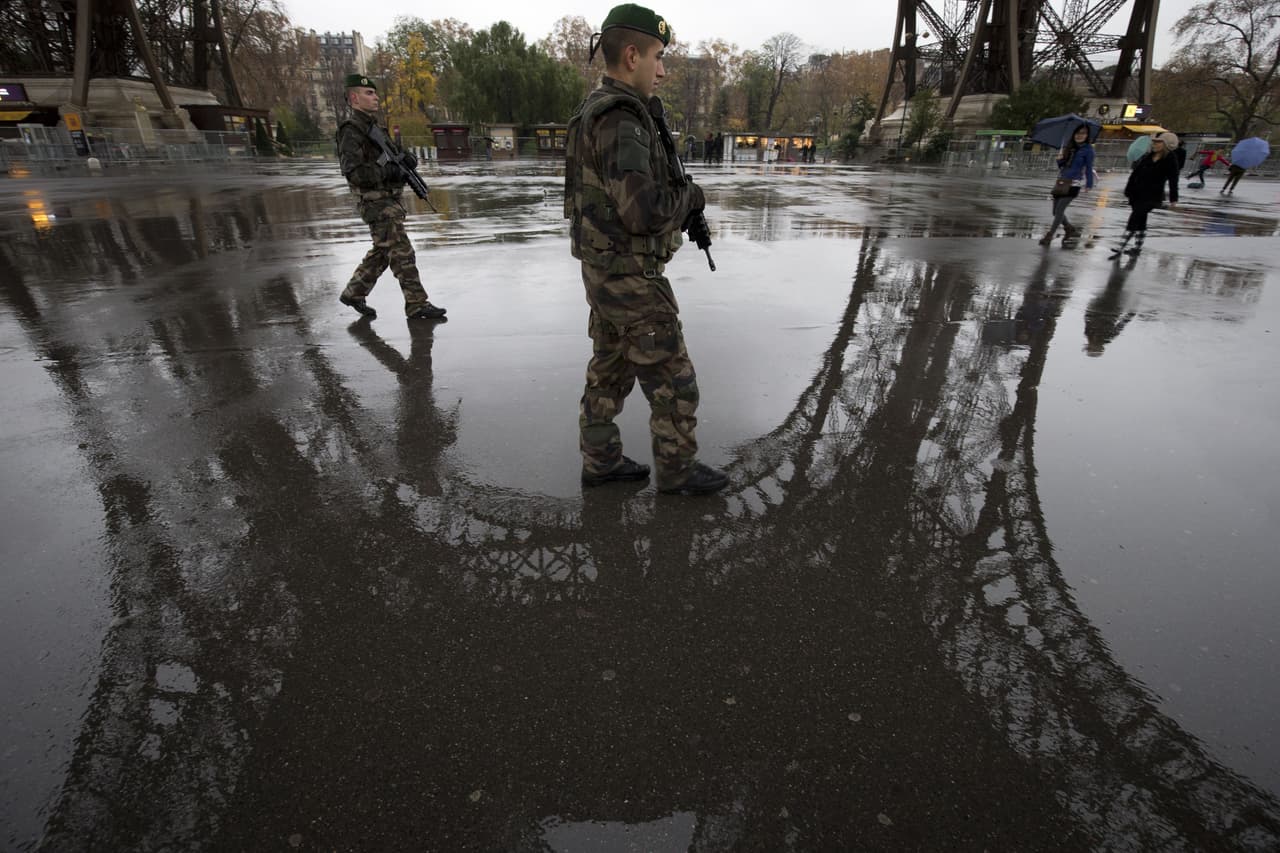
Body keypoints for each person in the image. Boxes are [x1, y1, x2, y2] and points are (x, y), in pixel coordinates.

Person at [564, 3, 729, 495]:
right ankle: (677, 473)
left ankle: (601, 461)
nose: (662, 70)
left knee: (610, 371)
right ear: (631, 54)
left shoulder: (597, 110)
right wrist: (692, 197)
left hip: (603, 270)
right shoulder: (621, 117)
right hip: (629, 274)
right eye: (657, 57)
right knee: (674, 378)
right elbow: (643, 210)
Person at [336, 73, 446, 320]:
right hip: (376, 204)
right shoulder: (351, 131)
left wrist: (408, 160)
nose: (375, 97)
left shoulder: (376, 129)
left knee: (383, 252)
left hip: (389, 201)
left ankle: (354, 292)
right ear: (354, 98)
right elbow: (353, 173)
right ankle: (417, 304)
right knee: (402, 252)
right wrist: (388, 170)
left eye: (374, 93)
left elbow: (397, 155)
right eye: (369, 93)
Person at [1111, 131, 1180, 258]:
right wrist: (1128, 189)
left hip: (1152, 196)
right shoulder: (1148, 156)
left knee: (1135, 217)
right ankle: (1137, 247)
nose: (1154, 144)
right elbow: (1135, 174)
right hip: (1137, 193)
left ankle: (1121, 245)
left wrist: (1173, 198)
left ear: (1166, 144)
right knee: (1141, 220)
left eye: (1158, 142)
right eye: (1154, 141)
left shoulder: (1170, 159)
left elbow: (1173, 180)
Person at [1039, 123, 1095, 246]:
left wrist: (1089, 184)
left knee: (1059, 211)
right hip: (1061, 181)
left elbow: (1089, 167)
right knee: (1055, 212)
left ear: (1087, 135)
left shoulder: (1088, 150)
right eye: (1078, 133)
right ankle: (1069, 228)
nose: (1080, 135)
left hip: (1074, 184)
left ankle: (1049, 236)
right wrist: (1059, 159)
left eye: (1083, 133)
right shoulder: (1069, 147)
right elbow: (1063, 166)